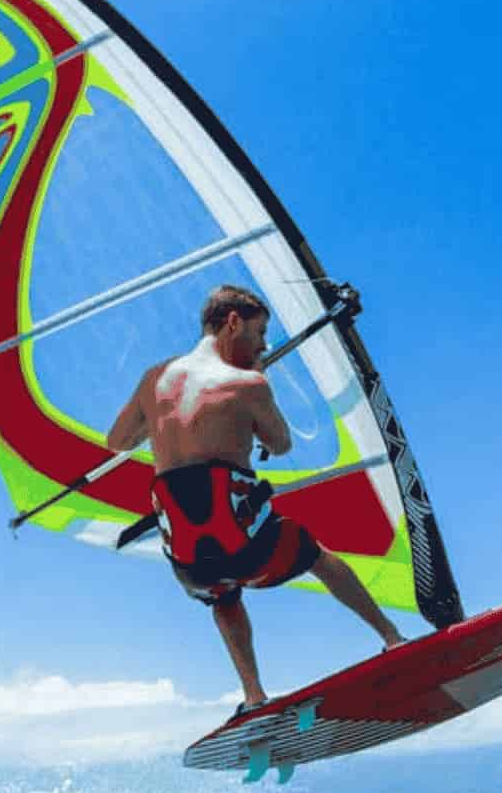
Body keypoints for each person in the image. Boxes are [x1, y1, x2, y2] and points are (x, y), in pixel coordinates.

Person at [104, 284, 406, 715]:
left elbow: (117, 441)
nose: (263, 344)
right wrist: (258, 379)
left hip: (188, 562)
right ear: (233, 323)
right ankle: (392, 637)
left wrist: (158, 426)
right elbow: (280, 444)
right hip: (245, 546)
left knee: (223, 595)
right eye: (260, 332)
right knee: (316, 555)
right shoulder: (248, 383)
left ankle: (253, 695)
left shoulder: (155, 379)